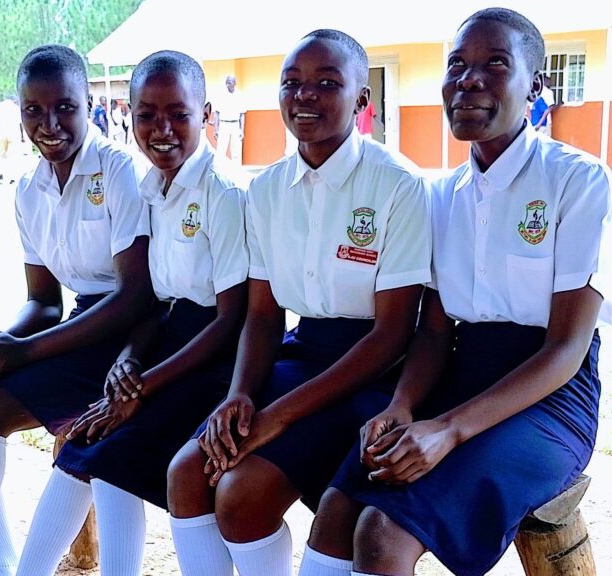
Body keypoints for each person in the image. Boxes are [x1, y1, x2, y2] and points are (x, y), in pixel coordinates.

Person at [300, 8, 612, 576]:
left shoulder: (577, 180)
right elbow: (434, 333)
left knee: (383, 532)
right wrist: (403, 405)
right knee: (338, 508)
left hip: (548, 397)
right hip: (456, 378)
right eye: (457, 65)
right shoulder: (441, 196)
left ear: (535, 86)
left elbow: (566, 348)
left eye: (495, 64)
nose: (469, 80)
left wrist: (448, 429)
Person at [166, 29, 431, 576]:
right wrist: (240, 395)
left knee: (241, 493)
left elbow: (392, 334)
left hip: (373, 372)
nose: (305, 95)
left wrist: (277, 417)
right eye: (291, 83)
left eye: (327, 83)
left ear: (362, 99)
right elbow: (264, 316)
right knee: (188, 472)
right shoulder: (266, 190)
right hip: (301, 354)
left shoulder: (397, 185)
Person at [11, 49, 249, 576]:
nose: (161, 130)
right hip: (166, 340)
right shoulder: (153, 188)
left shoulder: (223, 192)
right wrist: (130, 360)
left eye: (178, 114)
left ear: (206, 114)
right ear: (128, 115)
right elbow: (154, 299)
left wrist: (145, 385)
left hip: (219, 356)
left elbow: (232, 319)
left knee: (115, 450)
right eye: (146, 115)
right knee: (85, 442)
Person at [0, 44, 153, 576]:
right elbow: (44, 302)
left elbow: (135, 296)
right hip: (78, 328)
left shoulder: (117, 170)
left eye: (64, 108)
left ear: (88, 105)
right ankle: (2, 559)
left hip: (132, 334)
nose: (49, 125)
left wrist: (23, 352)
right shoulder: (29, 189)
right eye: (34, 110)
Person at [212, 74, 246, 164]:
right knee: (221, 151)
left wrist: (242, 131)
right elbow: (216, 113)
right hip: (223, 125)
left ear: (235, 83)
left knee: (236, 152)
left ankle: (237, 170)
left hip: (235, 125)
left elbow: (242, 115)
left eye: (230, 82)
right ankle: (219, 170)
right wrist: (215, 129)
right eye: (226, 82)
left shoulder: (240, 95)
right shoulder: (221, 95)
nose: (227, 84)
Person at [0, 96, 23, 161]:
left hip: (2, 132)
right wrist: (22, 135)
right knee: (14, 154)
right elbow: (21, 123)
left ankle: (4, 165)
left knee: (2, 154)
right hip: (14, 133)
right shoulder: (16, 108)